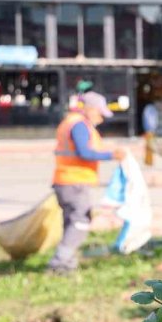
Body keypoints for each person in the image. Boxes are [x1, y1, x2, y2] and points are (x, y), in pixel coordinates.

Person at [47, 91, 126, 274]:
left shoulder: (72, 122)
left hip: (65, 180)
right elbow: (85, 152)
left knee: (71, 222)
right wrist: (111, 155)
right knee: (80, 221)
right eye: (100, 113)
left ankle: (67, 264)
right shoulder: (79, 126)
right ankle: (59, 262)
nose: (101, 118)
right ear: (90, 109)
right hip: (74, 182)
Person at [141, 101, 159, 166]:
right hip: (150, 130)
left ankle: (149, 161)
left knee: (149, 146)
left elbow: (147, 120)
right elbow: (153, 120)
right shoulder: (151, 109)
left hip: (149, 130)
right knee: (149, 146)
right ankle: (149, 161)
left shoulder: (148, 109)